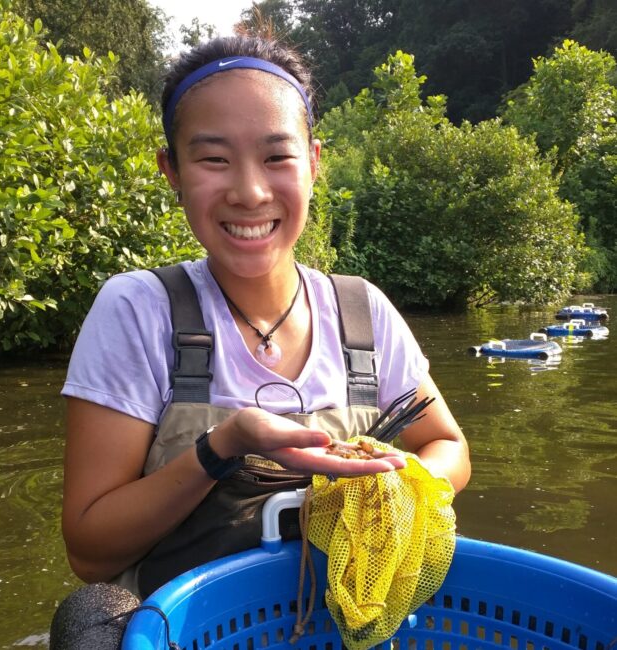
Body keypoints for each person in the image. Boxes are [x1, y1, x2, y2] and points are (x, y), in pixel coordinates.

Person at [52, 32, 470, 648]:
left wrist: (397, 479)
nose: (250, 191)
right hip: (190, 630)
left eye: (277, 156)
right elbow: (91, 553)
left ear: (314, 162)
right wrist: (222, 448)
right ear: (171, 171)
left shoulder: (362, 312)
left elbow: (446, 445)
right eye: (214, 159)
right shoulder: (138, 311)